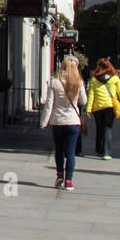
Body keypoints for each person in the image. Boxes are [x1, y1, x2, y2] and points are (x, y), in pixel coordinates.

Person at [40, 56, 87, 191]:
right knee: (71, 153)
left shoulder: (54, 82)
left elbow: (49, 104)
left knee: (59, 150)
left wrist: (44, 121)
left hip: (58, 122)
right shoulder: (79, 82)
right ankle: (69, 181)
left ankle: (59, 174)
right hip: (73, 122)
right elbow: (83, 101)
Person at [86, 57, 120, 159]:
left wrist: (88, 109)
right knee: (107, 128)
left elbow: (91, 94)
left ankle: (99, 149)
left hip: (97, 108)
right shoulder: (115, 78)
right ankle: (106, 152)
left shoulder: (94, 79)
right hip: (110, 107)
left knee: (99, 128)